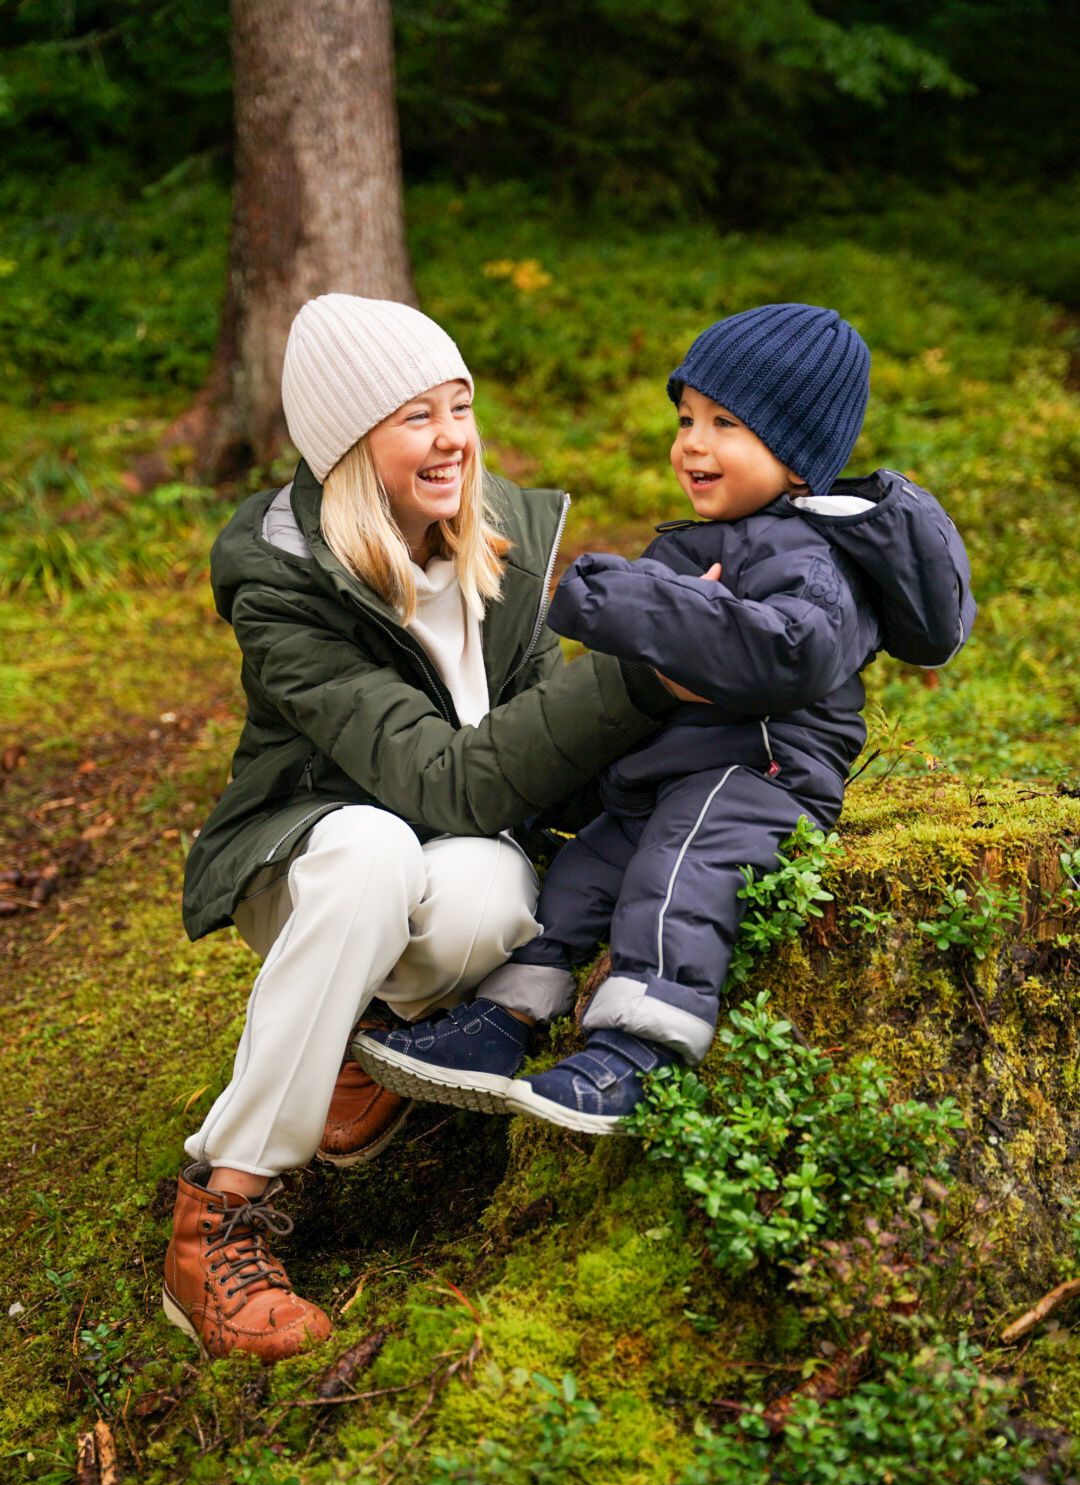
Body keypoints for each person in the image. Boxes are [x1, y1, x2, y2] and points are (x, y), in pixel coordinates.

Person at [165, 294, 681, 1361]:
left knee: (500, 892)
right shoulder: (285, 581)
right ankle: (222, 1209)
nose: (454, 436)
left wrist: (703, 721)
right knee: (375, 846)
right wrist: (632, 679)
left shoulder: (501, 551)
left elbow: (550, 768)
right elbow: (441, 782)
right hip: (301, 856)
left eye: (461, 405)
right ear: (353, 445)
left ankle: (354, 1032)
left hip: (432, 862)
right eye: (416, 415)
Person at [355, 302, 975, 1130]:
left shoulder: (811, 556)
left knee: (679, 876)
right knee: (579, 876)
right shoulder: (716, 536)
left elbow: (794, 652)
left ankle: (637, 1052)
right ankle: (504, 1019)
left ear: (797, 459)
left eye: (726, 424)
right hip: (673, 767)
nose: (692, 443)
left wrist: (633, 597)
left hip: (760, 771)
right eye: (687, 418)